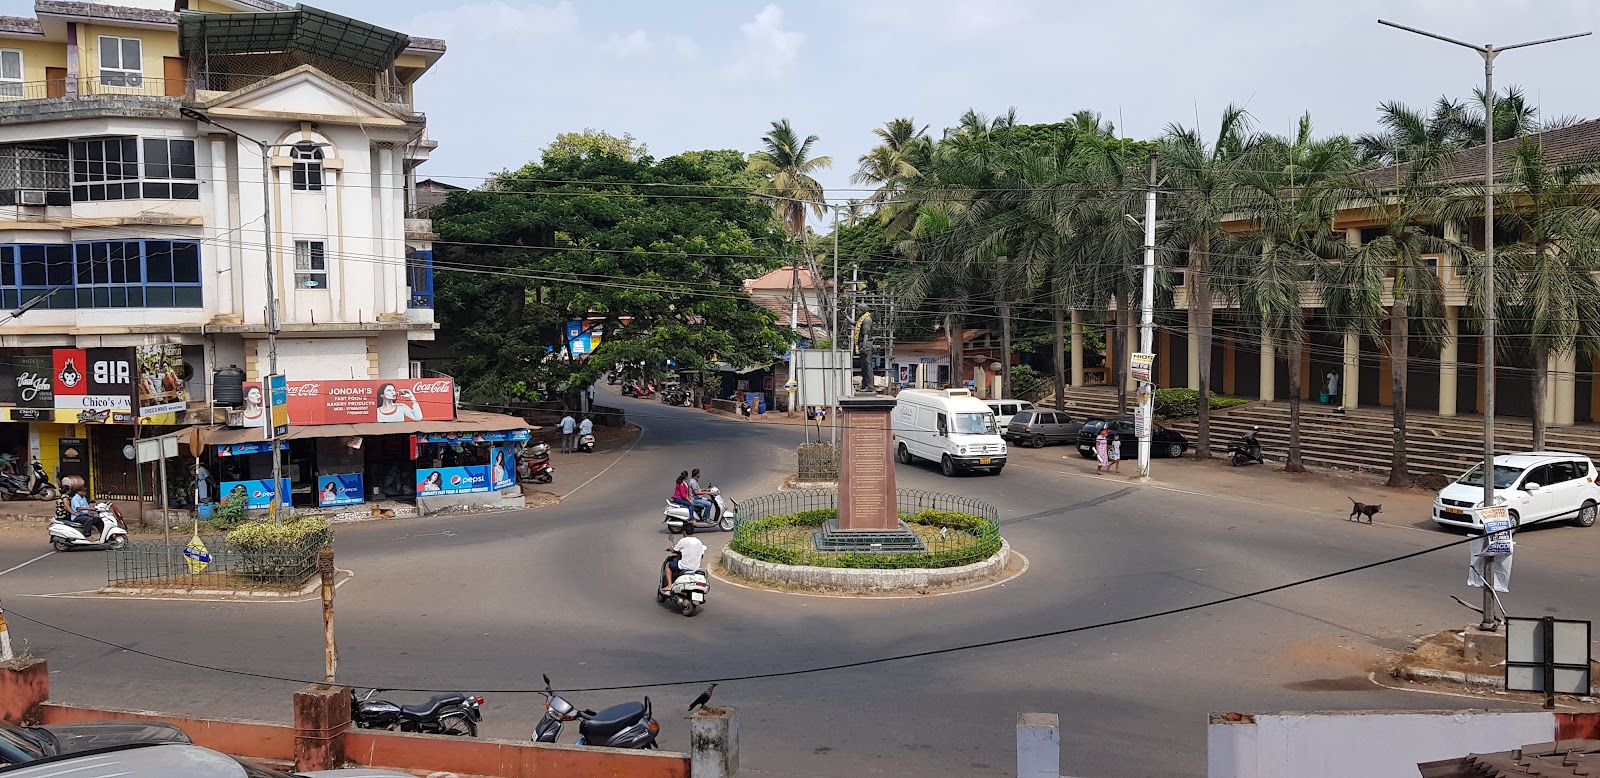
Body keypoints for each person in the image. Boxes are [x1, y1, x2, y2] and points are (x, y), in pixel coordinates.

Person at [661, 522, 707, 594]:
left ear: (684, 532)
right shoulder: (699, 542)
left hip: (684, 566)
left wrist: (670, 549)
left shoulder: (683, 541)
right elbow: (701, 555)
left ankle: (669, 585)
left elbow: (674, 550)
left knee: (668, 565)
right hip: (696, 567)